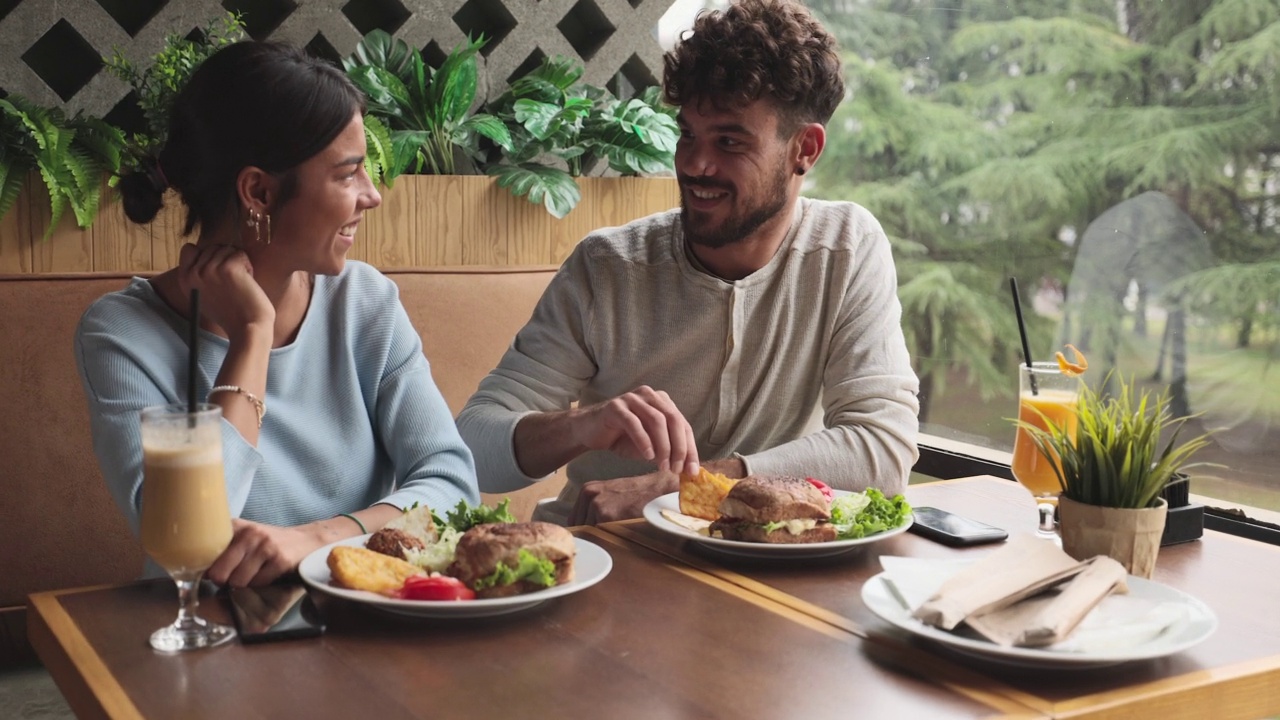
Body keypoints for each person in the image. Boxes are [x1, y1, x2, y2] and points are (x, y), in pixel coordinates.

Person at [456, 0, 919, 526]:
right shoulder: (607, 267)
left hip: (763, 573)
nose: (696, 164)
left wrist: (695, 488)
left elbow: (883, 448)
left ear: (804, 150)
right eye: (688, 135)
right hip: (605, 560)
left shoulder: (847, 248)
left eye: (729, 141)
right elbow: (472, 446)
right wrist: (581, 427)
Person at [76, 41, 479, 587]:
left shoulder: (366, 304)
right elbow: (185, 536)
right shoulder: (123, 334)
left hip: (369, 620)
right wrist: (251, 335)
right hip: (212, 636)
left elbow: (452, 483)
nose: (372, 195)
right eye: (348, 174)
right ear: (258, 192)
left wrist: (317, 538)